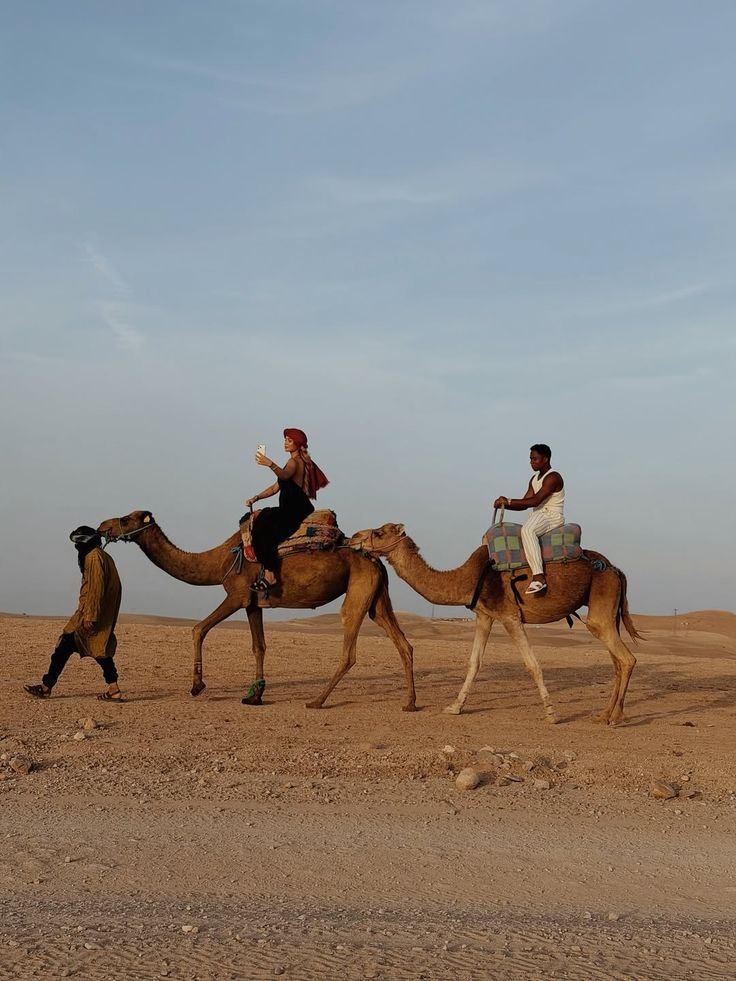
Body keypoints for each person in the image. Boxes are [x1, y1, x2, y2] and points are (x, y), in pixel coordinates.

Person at [24, 526, 123, 700]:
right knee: (98, 650)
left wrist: (90, 617)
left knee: (69, 647)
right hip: (93, 614)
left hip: (89, 615)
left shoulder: (93, 557)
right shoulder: (102, 556)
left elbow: (95, 588)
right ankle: (113, 688)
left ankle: (46, 687)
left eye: (78, 543)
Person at [244, 428, 329, 594]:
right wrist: (256, 497)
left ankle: (270, 576)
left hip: (293, 512)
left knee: (264, 534)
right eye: (285, 440)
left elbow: (283, 476)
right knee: (263, 520)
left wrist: (270, 464)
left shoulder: (294, 462)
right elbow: (276, 487)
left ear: (297, 445)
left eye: (289, 441)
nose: (285, 443)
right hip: (290, 509)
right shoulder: (295, 462)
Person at [493, 444, 565, 596]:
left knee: (528, 530)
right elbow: (525, 504)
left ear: (545, 459)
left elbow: (535, 501)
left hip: (551, 516)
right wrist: (504, 505)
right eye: (530, 459)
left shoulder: (553, 477)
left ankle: (539, 577)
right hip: (538, 515)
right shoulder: (534, 479)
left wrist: (509, 501)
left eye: (535, 459)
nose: (531, 462)